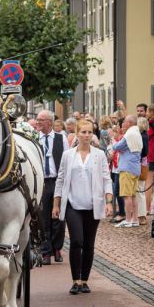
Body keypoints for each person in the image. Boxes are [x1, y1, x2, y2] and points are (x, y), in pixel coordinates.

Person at [52, 120, 113, 294]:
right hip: (73, 204)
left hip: (93, 205)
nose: (86, 136)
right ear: (77, 134)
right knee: (76, 241)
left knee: (88, 244)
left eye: (89, 132)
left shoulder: (99, 155)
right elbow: (61, 180)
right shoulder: (68, 155)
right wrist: (56, 204)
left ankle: (84, 279)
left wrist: (108, 202)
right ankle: (75, 280)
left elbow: (106, 179)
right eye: (83, 132)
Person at [37, 109, 68, 263]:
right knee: (43, 218)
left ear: (49, 122)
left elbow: (67, 159)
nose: (38, 122)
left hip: (57, 181)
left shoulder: (61, 138)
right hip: (42, 181)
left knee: (59, 218)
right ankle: (46, 251)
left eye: (41, 120)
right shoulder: (35, 138)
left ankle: (57, 248)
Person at [110, 114, 142, 227]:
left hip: (127, 167)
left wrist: (114, 143)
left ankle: (128, 220)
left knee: (127, 195)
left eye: (125, 122)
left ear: (129, 123)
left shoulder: (129, 134)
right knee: (133, 195)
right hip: (135, 167)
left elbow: (118, 146)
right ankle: (134, 219)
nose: (123, 123)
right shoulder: (137, 133)